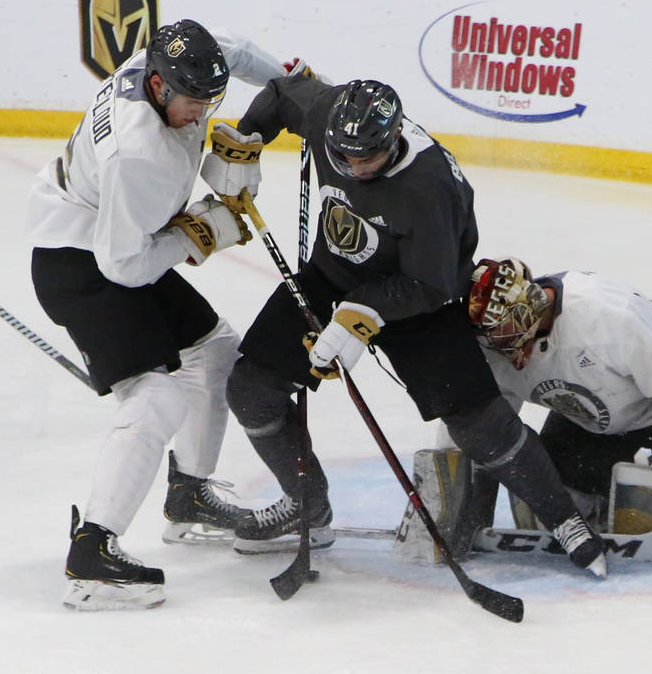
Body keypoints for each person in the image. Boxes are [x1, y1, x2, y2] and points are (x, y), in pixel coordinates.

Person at [201, 77, 608, 577]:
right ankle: (307, 505)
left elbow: (431, 285)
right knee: (251, 390)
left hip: (419, 300)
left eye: (364, 160)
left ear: (393, 140)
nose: (351, 168)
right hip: (332, 277)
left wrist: (360, 316)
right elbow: (284, 95)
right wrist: (246, 143)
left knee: (477, 423)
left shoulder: (429, 187)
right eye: (341, 157)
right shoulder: (332, 114)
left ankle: (565, 520)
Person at [26, 19, 304, 610]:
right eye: (191, 101)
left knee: (216, 351)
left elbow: (239, 49)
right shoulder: (138, 153)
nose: (201, 111)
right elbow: (125, 266)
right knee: (156, 397)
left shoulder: (174, 58)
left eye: (212, 99)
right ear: (156, 84)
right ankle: (94, 552)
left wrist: (298, 82)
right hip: (79, 260)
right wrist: (201, 232)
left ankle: (189, 497)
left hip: (109, 235)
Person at [465, 256, 652, 524]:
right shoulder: (491, 346)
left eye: (502, 332)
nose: (497, 345)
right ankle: (615, 482)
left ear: (525, 310)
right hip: (597, 421)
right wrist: (464, 492)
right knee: (550, 505)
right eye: (489, 335)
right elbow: (482, 424)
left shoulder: (606, 314)